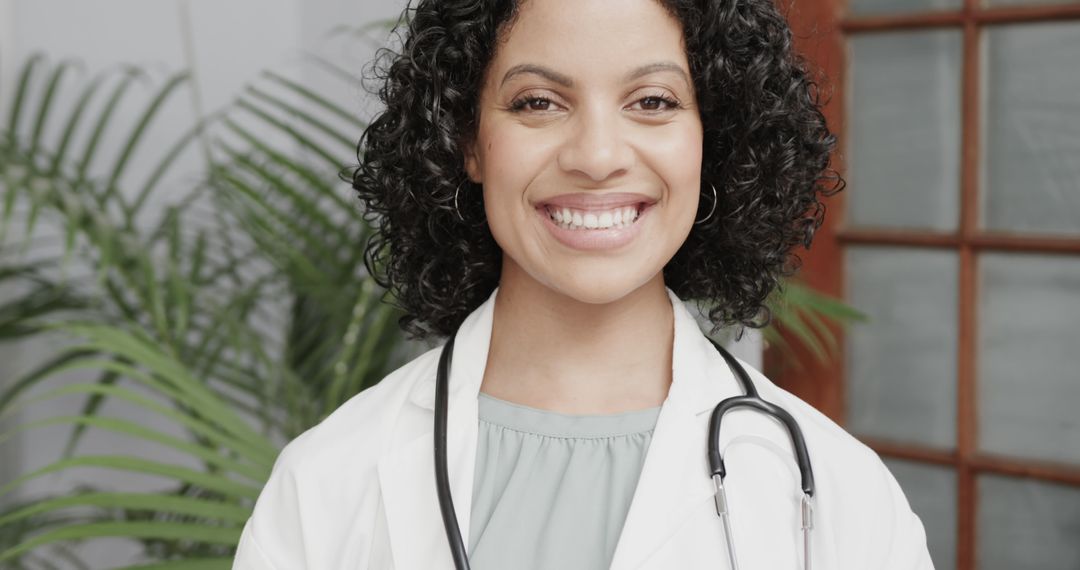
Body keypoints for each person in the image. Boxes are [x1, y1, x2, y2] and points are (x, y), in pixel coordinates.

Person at [233, 0, 935, 568]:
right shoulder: (327, 482)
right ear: (468, 141)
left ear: (711, 137)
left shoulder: (840, 492)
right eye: (538, 102)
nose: (597, 156)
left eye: (653, 101)